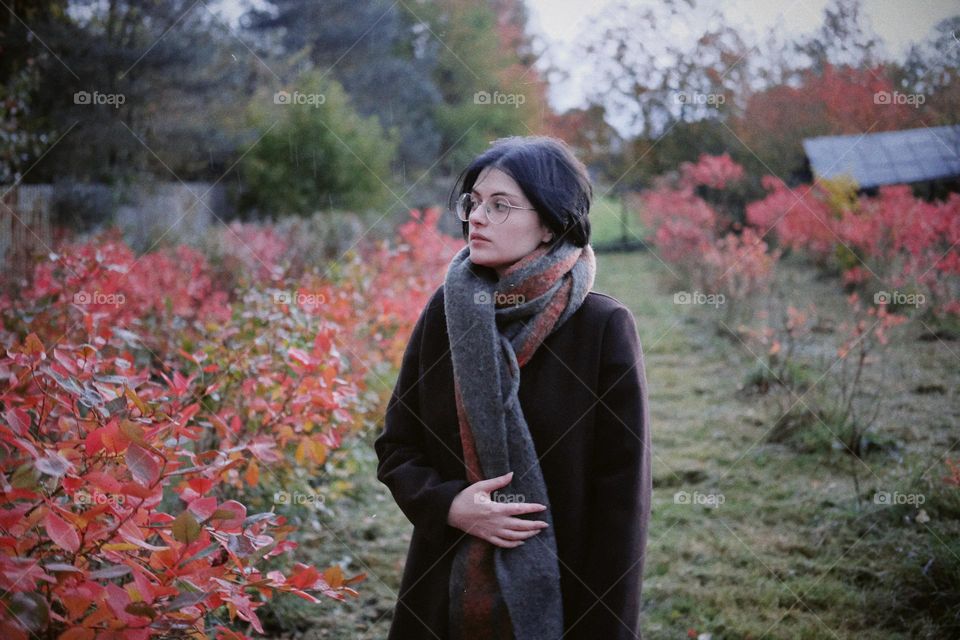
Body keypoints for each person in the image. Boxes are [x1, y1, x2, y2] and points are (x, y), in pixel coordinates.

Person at [374, 135, 652, 640]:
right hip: (445, 593)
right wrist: (450, 505)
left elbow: (621, 505)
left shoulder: (602, 327)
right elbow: (397, 446)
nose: (476, 217)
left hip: (569, 595)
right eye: (474, 202)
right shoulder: (446, 313)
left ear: (549, 222)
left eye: (501, 205)